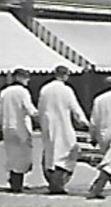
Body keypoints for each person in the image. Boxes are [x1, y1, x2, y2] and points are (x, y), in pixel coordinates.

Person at [36, 65, 89, 195]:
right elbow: (75, 108)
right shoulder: (66, 90)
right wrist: (84, 122)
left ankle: (54, 181)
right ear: (65, 75)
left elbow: (40, 108)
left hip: (48, 126)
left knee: (51, 153)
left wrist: (42, 123)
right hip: (63, 126)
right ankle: (58, 183)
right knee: (68, 151)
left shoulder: (45, 89)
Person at [0, 69, 38, 193]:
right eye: (26, 77)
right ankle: (18, 183)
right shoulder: (23, 92)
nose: (28, 80)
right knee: (24, 156)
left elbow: (0, 111)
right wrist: (41, 116)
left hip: (8, 127)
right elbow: (30, 109)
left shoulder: (4, 92)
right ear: (20, 78)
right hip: (21, 128)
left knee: (12, 155)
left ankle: (14, 180)